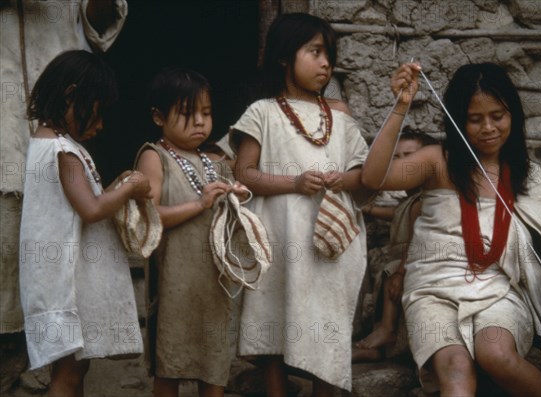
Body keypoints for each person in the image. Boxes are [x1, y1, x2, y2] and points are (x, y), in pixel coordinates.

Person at [361, 62, 541, 396]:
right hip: (432, 292)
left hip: (497, 292)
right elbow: (372, 179)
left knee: (496, 354)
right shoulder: (436, 161)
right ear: (457, 120)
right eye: (475, 119)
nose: (488, 127)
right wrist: (400, 106)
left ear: (513, 115)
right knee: (456, 370)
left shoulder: (526, 174)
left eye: (498, 116)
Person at [230, 13, 370, 396]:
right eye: (315, 52)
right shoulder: (263, 112)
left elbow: (363, 177)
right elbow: (244, 173)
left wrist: (342, 180)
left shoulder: (340, 119)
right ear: (283, 58)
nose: (326, 63)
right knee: (273, 319)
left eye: (330, 54)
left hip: (328, 242)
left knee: (327, 324)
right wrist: (293, 182)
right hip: (278, 236)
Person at [19, 50, 148, 397]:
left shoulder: (50, 144)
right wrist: (131, 186)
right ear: (71, 95)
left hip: (56, 281)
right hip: (64, 287)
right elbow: (91, 209)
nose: (101, 124)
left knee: (76, 368)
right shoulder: (64, 151)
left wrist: (116, 190)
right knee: (68, 375)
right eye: (98, 111)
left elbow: (80, 204)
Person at [1, 0, 128, 336]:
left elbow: (98, 25)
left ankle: (42, 352)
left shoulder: (66, 146)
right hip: (6, 111)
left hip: (61, 100)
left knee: (58, 242)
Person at [135, 67, 248, 397]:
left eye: (207, 113)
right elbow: (150, 216)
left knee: (213, 361)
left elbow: (223, 210)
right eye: (188, 113)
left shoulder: (214, 160)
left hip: (213, 282)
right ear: (158, 117)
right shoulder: (154, 157)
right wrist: (200, 204)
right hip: (174, 282)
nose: (200, 121)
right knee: (170, 360)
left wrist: (234, 198)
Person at [354, 131, 438, 363]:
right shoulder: (409, 198)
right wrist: (369, 210)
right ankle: (377, 339)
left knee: (391, 271)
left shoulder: (427, 198)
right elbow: (397, 213)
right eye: (396, 158)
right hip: (402, 257)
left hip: (413, 259)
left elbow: (415, 240)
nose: (403, 163)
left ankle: (387, 330)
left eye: (409, 156)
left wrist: (401, 270)